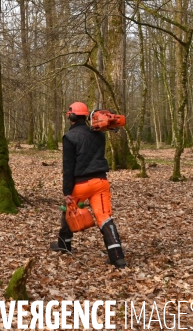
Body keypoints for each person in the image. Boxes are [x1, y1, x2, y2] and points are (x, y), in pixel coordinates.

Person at [49, 102, 126, 270]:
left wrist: (66, 191)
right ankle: (117, 257)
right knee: (105, 218)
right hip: (100, 182)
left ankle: (64, 244)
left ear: (72, 116)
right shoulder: (99, 134)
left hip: (81, 184)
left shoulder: (69, 137)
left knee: (68, 210)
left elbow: (68, 167)